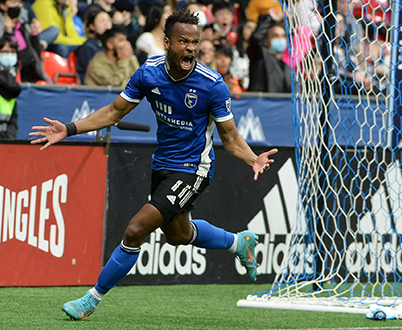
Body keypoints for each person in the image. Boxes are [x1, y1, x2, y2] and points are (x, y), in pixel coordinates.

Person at [29, 8, 276, 320]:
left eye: (195, 42)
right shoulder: (148, 72)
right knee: (178, 236)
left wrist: (253, 158)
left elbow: (230, 137)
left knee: (135, 230)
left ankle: (90, 301)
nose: (190, 48)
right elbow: (113, 112)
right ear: (167, 42)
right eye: (183, 41)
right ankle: (239, 242)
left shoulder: (212, 84)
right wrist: (70, 128)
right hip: (163, 165)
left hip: (193, 169)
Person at [0, 0, 46, 82]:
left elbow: (37, 54)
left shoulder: (24, 25)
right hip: (9, 73)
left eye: (20, 3)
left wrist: (34, 35)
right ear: (3, 6)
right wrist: (7, 33)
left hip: (31, 72)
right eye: (14, 3)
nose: (18, 6)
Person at [247, 13, 290, 92]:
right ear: (266, 41)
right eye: (275, 36)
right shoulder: (259, 57)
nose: (280, 39)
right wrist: (270, 18)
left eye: (283, 36)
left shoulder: (286, 67)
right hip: (261, 102)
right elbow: (256, 38)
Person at [75, 6, 113, 82]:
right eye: (102, 21)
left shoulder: (108, 46)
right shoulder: (88, 47)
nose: (107, 25)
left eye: (109, 21)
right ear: (92, 26)